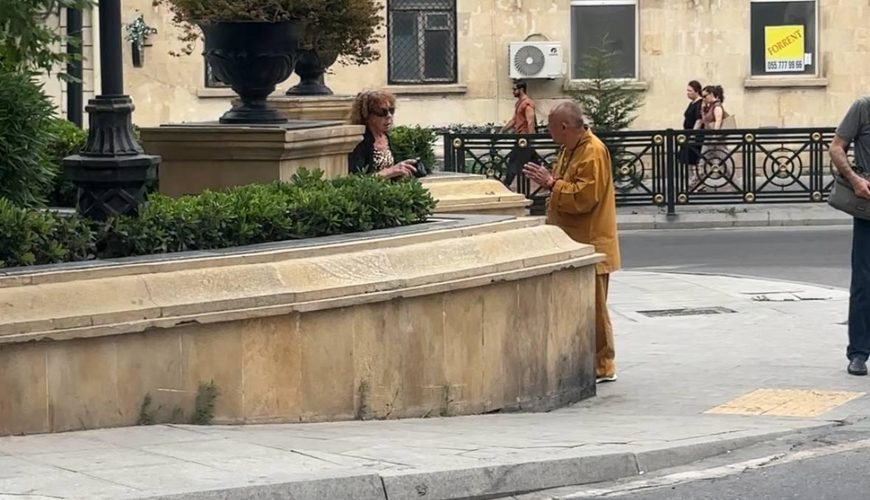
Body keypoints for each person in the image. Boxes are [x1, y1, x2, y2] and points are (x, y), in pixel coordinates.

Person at [522, 101, 621, 383]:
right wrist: (551, 183)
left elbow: (585, 198)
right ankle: (581, 359)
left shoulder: (593, 151)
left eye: (550, 127)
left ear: (564, 127)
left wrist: (552, 184)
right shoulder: (570, 148)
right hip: (572, 240)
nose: (548, 132)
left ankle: (603, 365)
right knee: (577, 306)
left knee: (595, 309)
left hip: (592, 242)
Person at [830, 96, 870, 376]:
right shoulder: (863, 108)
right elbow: (836, 147)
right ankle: (858, 352)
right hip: (868, 207)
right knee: (864, 282)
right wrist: (855, 180)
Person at [347, 89, 419, 179]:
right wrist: (389, 172)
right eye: (382, 112)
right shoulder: (359, 142)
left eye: (391, 110)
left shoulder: (387, 137)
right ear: (367, 115)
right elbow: (356, 179)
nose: (389, 116)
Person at [501, 81, 538, 188]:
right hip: (521, 137)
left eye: (514, 89)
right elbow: (514, 120)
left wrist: (530, 137)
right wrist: (503, 130)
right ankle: (546, 182)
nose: (513, 92)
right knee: (535, 163)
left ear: (521, 89)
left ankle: (506, 184)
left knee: (513, 160)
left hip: (524, 138)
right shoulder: (519, 103)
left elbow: (530, 121)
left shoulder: (527, 104)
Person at [681, 80, 705, 190]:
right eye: (687, 90)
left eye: (690, 91)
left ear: (697, 91)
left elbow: (699, 120)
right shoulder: (692, 103)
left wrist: (692, 134)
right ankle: (693, 183)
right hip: (688, 134)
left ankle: (697, 184)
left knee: (694, 160)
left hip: (694, 136)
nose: (688, 93)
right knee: (688, 160)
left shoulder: (699, 103)